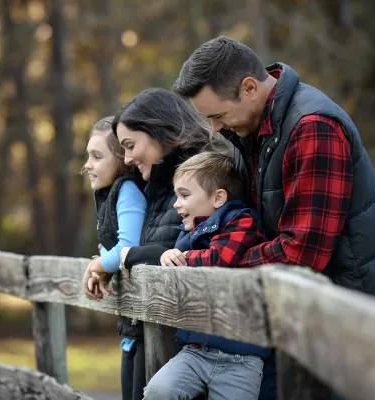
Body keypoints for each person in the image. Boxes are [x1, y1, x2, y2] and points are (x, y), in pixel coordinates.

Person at [173, 35, 375, 298]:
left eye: (218, 116)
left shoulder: (313, 128)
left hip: (351, 311)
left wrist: (212, 260)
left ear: (249, 88)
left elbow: (303, 254)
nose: (215, 129)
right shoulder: (249, 132)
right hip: (301, 307)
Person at [83, 88, 227, 400]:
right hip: (150, 335)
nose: (128, 158)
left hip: (192, 349)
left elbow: (181, 256)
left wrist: (110, 261)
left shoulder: (199, 183)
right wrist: (108, 264)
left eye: (130, 145)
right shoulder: (156, 189)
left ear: (158, 131)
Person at [143, 151, 269, 400]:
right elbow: (175, 271)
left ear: (218, 197)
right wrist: (168, 257)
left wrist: (182, 259)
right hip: (196, 349)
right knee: (159, 390)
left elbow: (219, 260)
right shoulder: (188, 234)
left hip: (242, 357)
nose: (176, 203)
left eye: (184, 195)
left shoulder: (241, 221)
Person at [82, 116, 147, 400]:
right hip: (130, 321)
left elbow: (128, 246)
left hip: (145, 321)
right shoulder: (110, 195)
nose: (87, 164)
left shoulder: (127, 191)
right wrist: (104, 266)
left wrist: (97, 264)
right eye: (88, 156)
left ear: (121, 159)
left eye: (97, 156)